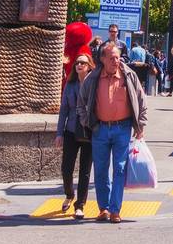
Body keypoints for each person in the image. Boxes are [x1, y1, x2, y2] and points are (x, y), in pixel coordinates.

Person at [77, 41, 146, 224]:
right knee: (100, 170)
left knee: (120, 169)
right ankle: (104, 208)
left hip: (122, 128)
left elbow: (141, 101)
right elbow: (81, 103)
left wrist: (140, 126)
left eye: (118, 57)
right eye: (112, 58)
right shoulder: (93, 78)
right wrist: (88, 122)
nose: (116, 61)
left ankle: (115, 210)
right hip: (100, 129)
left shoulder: (128, 75)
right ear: (102, 59)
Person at [54, 49, 96, 219]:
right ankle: (69, 194)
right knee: (66, 169)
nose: (79, 65)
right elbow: (63, 110)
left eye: (83, 63)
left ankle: (80, 205)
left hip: (89, 131)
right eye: (77, 63)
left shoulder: (94, 84)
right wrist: (59, 133)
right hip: (71, 130)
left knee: (85, 171)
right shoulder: (70, 85)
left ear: (89, 67)